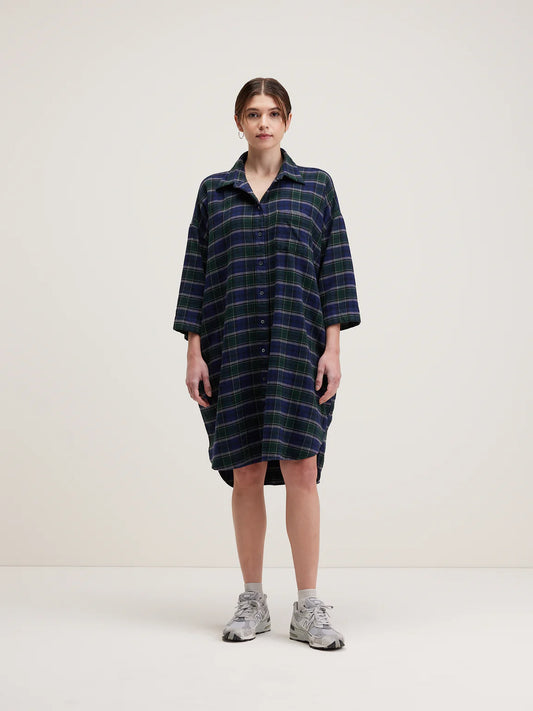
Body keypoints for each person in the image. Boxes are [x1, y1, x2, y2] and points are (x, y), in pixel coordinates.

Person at [173, 77, 361, 650]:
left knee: (302, 467)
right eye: (253, 113)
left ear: (287, 121)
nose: (263, 123)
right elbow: (196, 271)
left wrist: (332, 348)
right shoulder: (214, 192)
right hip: (231, 343)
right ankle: (252, 600)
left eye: (273, 113)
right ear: (239, 122)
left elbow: (334, 268)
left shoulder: (316, 187)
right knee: (246, 470)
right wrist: (194, 350)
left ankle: (308, 606)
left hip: (298, 343)